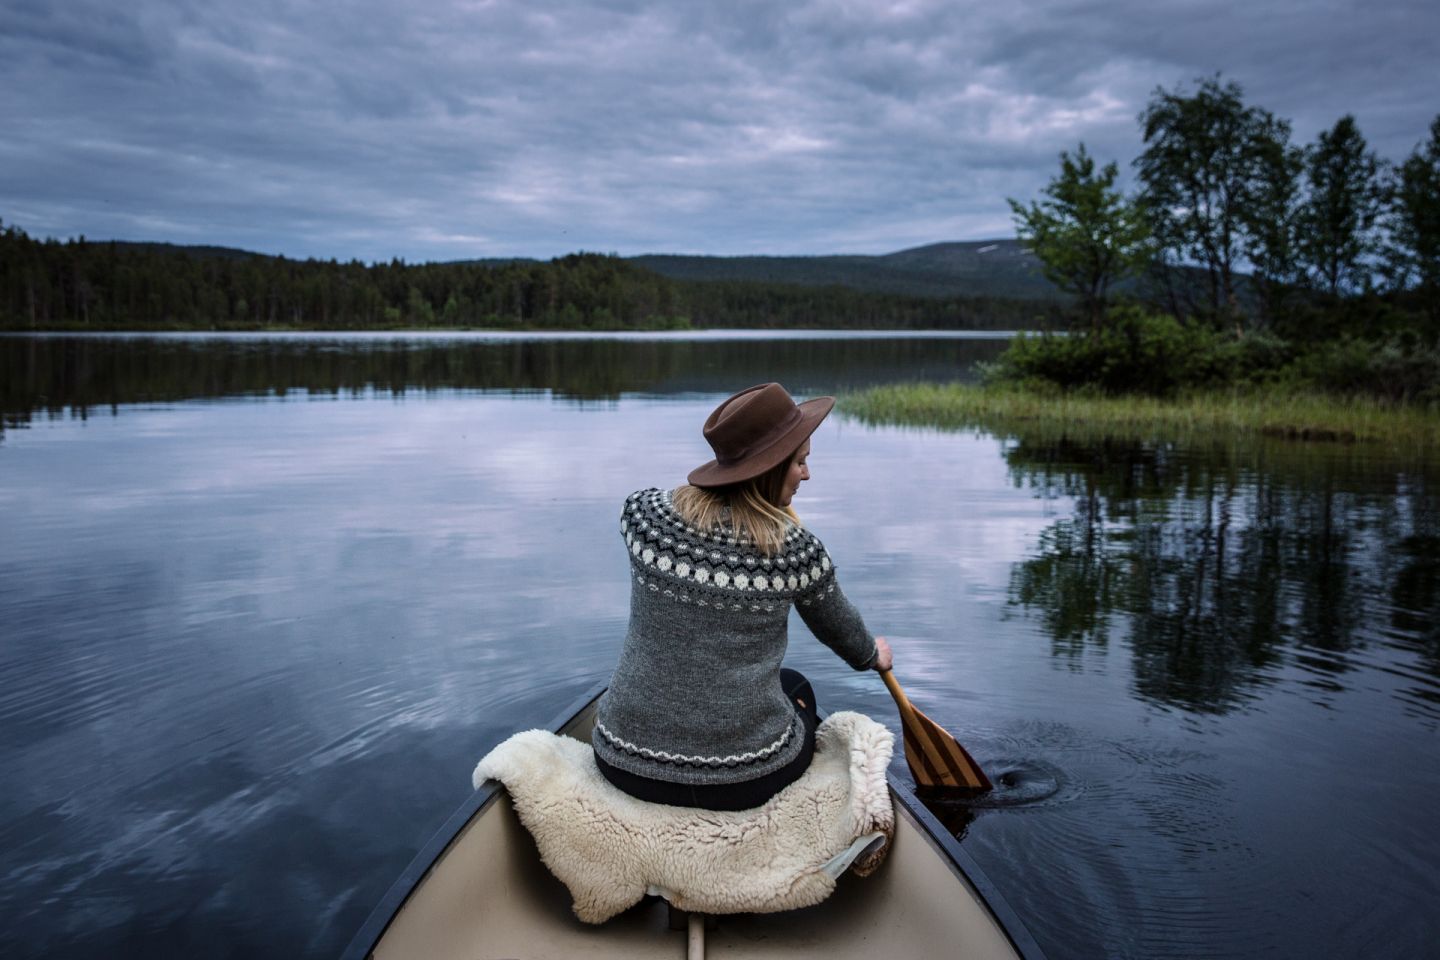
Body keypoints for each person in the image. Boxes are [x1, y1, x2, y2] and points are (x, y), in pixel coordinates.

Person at [592, 382, 893, 811]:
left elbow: (645, 503)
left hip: (622, 761)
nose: (807, 474)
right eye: (800, 462)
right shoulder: (795, 552)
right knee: (797, 685)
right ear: (769, 469)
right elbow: (838, 627)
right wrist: (871, 655)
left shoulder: (645, 519)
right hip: (744, 779)